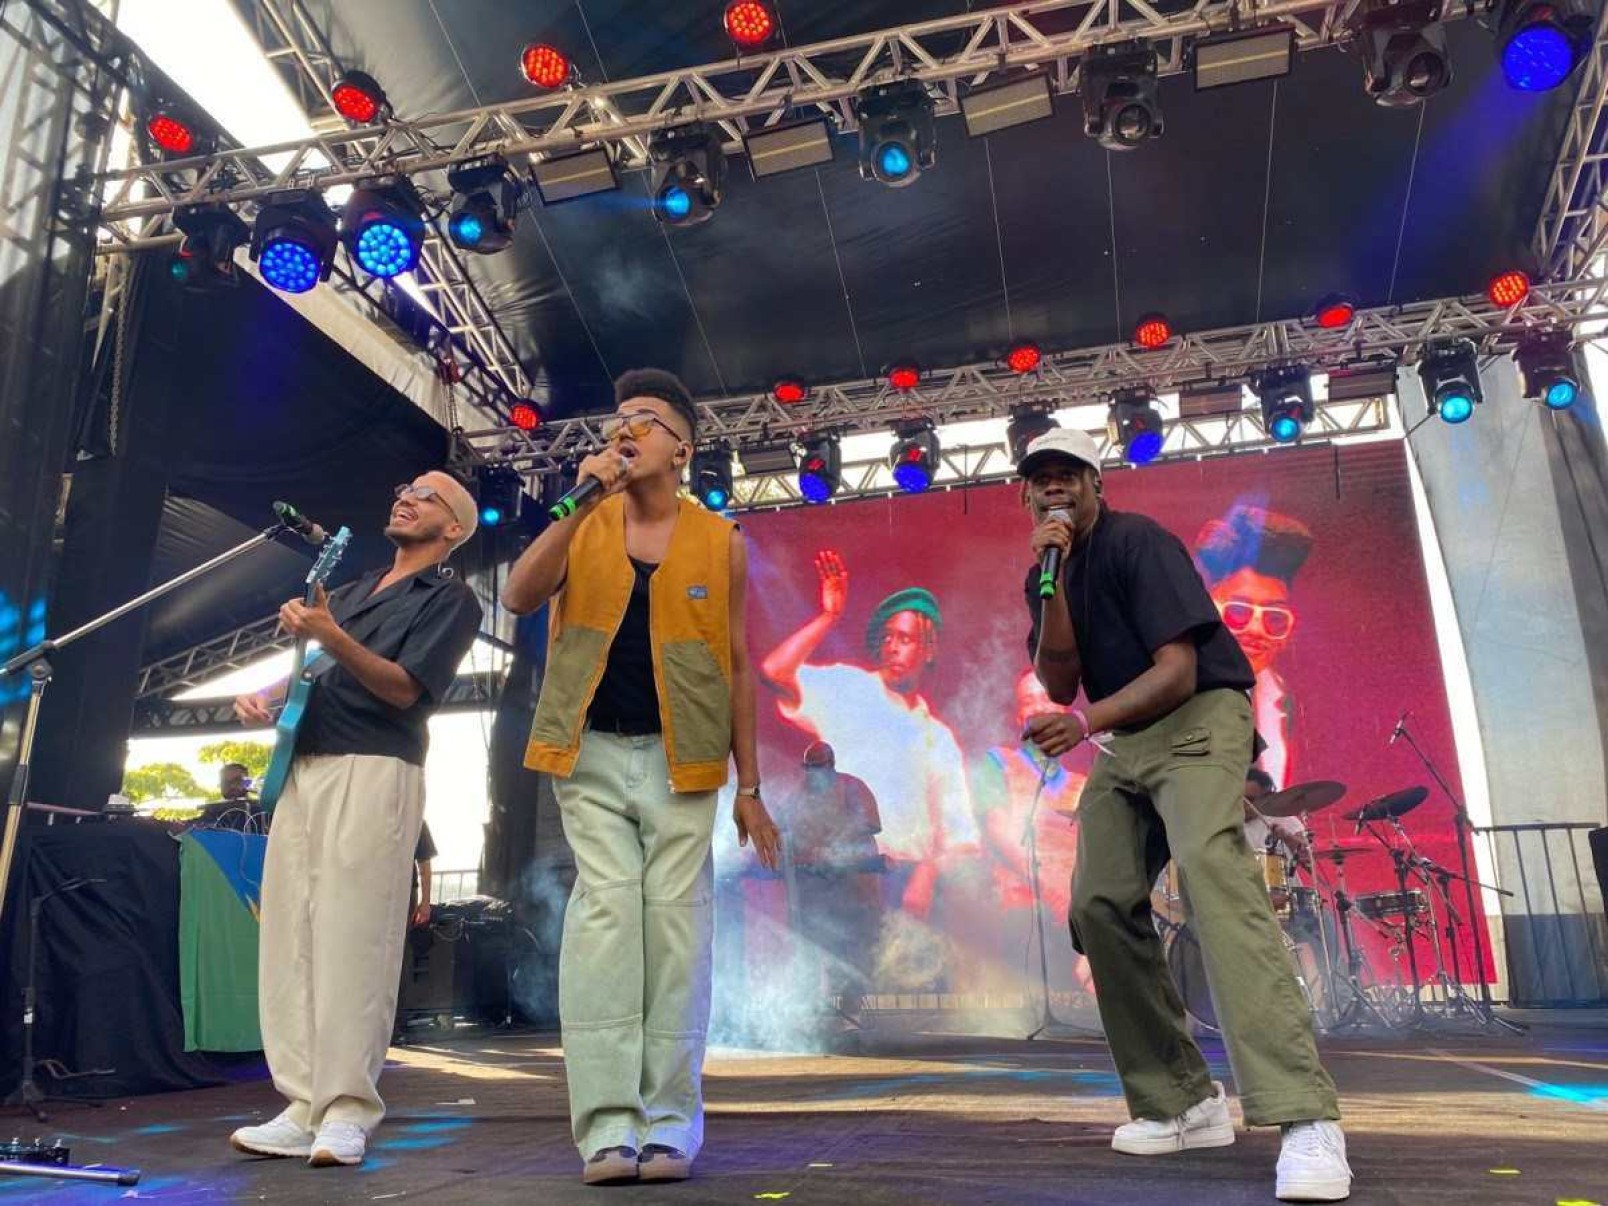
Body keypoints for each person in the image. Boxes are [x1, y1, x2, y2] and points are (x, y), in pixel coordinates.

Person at [1017, 428, 1349, 1202]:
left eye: (1070, 476)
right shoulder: (1044, 571)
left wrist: (1091, 723)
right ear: (1025, 495)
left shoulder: (1142, 542)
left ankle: (1306, 1116)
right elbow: (1058, 678)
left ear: (1098, 485)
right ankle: (1184, 1100)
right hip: (1127, 741)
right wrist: (1050, 580)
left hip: (1197, 719)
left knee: (1211, 868)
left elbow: (1178, 672)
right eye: (1042, 480)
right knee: (1098, 904)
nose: (1055, 489)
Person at [503, 368, 781, 1187]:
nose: (625, 430)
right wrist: (576, 502)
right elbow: (519, 596)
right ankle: (606, 1128)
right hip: (587, 752)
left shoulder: (718, 540)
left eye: (646, 420)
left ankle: (668, 1124)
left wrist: (753, 786)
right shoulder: (585, 519)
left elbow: (736, 666)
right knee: (604, 930)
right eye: (617, 418)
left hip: (681, 761)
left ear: (682, 448)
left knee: (676, 933)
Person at [226, 471, 484, 1169]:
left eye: (427, 495)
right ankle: (301, 1102)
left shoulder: (453, 599)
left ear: (453, 527)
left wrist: (331, 637)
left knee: (354, 937)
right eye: (402, 488)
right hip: (305, 765)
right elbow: (314, 670)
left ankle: (348, 1108)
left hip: (374, 766)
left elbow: (404, 690)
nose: (405, 496)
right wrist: (270, 691)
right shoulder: (349, 588)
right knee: (291, 936)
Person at [759, 554, 974, 919]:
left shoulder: (938, 738)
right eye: (887, 637)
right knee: (848, 971)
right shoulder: (851, 686)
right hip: (842, 872)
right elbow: (774, 672)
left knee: (907, 974)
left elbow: (962, 838)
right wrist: (829, 616)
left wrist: (926, 874)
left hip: (907, 883)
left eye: (904, 638)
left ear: (929, 648)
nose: (891, 646)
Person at [970, 669, 1092, 994]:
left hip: (1074, 913)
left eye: (1046, 698)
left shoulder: (1084, 785)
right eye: (1028, 701)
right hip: (1020, 910)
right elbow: (997, 832)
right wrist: (1048, 892)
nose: (1038, 707)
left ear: (1066, 711)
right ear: (1019, 716)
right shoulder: (998, 763)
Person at [1195, 507, 1313, 789]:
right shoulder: (1171, 683)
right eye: (1238, 613)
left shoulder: (1279, 694)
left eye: (1274, 619)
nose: (1256, 631)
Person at [783, 741, 883, 1018]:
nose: (813, 774)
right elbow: (788, 829)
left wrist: (835, 844)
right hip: (816, 887)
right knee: (815, 945)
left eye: (818, 767)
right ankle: (815, 1012)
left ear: (831, 765)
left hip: (853, 885)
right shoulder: (799, 795)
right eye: (809, 768)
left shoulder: (852, 786)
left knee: (853, 946)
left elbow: (870, 823)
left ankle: (853, 1011)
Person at [195, 762, 264, 831]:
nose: (232, 786)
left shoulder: (263, 810)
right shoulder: (211, 812)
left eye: (237, 781)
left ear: (248, 783)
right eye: (225, 782)